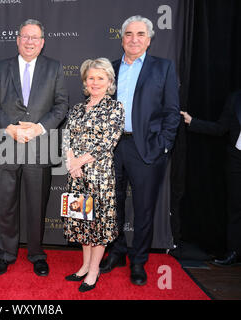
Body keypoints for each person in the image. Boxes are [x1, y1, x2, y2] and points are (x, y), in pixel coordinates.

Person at [99, 15, 180, 286]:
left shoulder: (163, 68)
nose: (134, 39)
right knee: (112, 205)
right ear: (121, 38)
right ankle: (117, 252)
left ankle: (139, 261)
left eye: (140, 34)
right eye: (129, 34)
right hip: (111, 147)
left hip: (147, 147)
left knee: (144, 209)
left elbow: (171, 112)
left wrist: (164, 145)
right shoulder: (108, 68)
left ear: (149, 39)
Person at [0, 19, 69, 276]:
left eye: (35, 37)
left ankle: (36, 253)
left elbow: (61, 105)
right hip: (8, 144)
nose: (30, 41)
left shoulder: (54, 68)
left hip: (40, 145)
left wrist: (38, 128)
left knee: (36, 204)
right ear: (17, 39)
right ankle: (7, 254)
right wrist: (10, 127)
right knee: (6, 204)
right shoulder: (0, 68)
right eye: (25, 36)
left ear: (42, 42)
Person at [63, 58, 124, 292]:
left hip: (99, 175)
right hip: (76, 175)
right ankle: (84, 265)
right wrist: (71, 162)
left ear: (109, 81)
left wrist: (78, 161)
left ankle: (94, 271)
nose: (95, 82)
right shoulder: (77, 108)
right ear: (85, 82)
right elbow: (66, 137)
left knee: (97, 225)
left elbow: (107, 142)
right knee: (82, 222)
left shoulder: (115, 108)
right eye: (91, 78)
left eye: (100, 78)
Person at [181, 90, 241, 266]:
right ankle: (234, 252)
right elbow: (221, 128)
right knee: (236, 209)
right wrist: (193, 122)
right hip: (236, 160)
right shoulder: (235, 98)